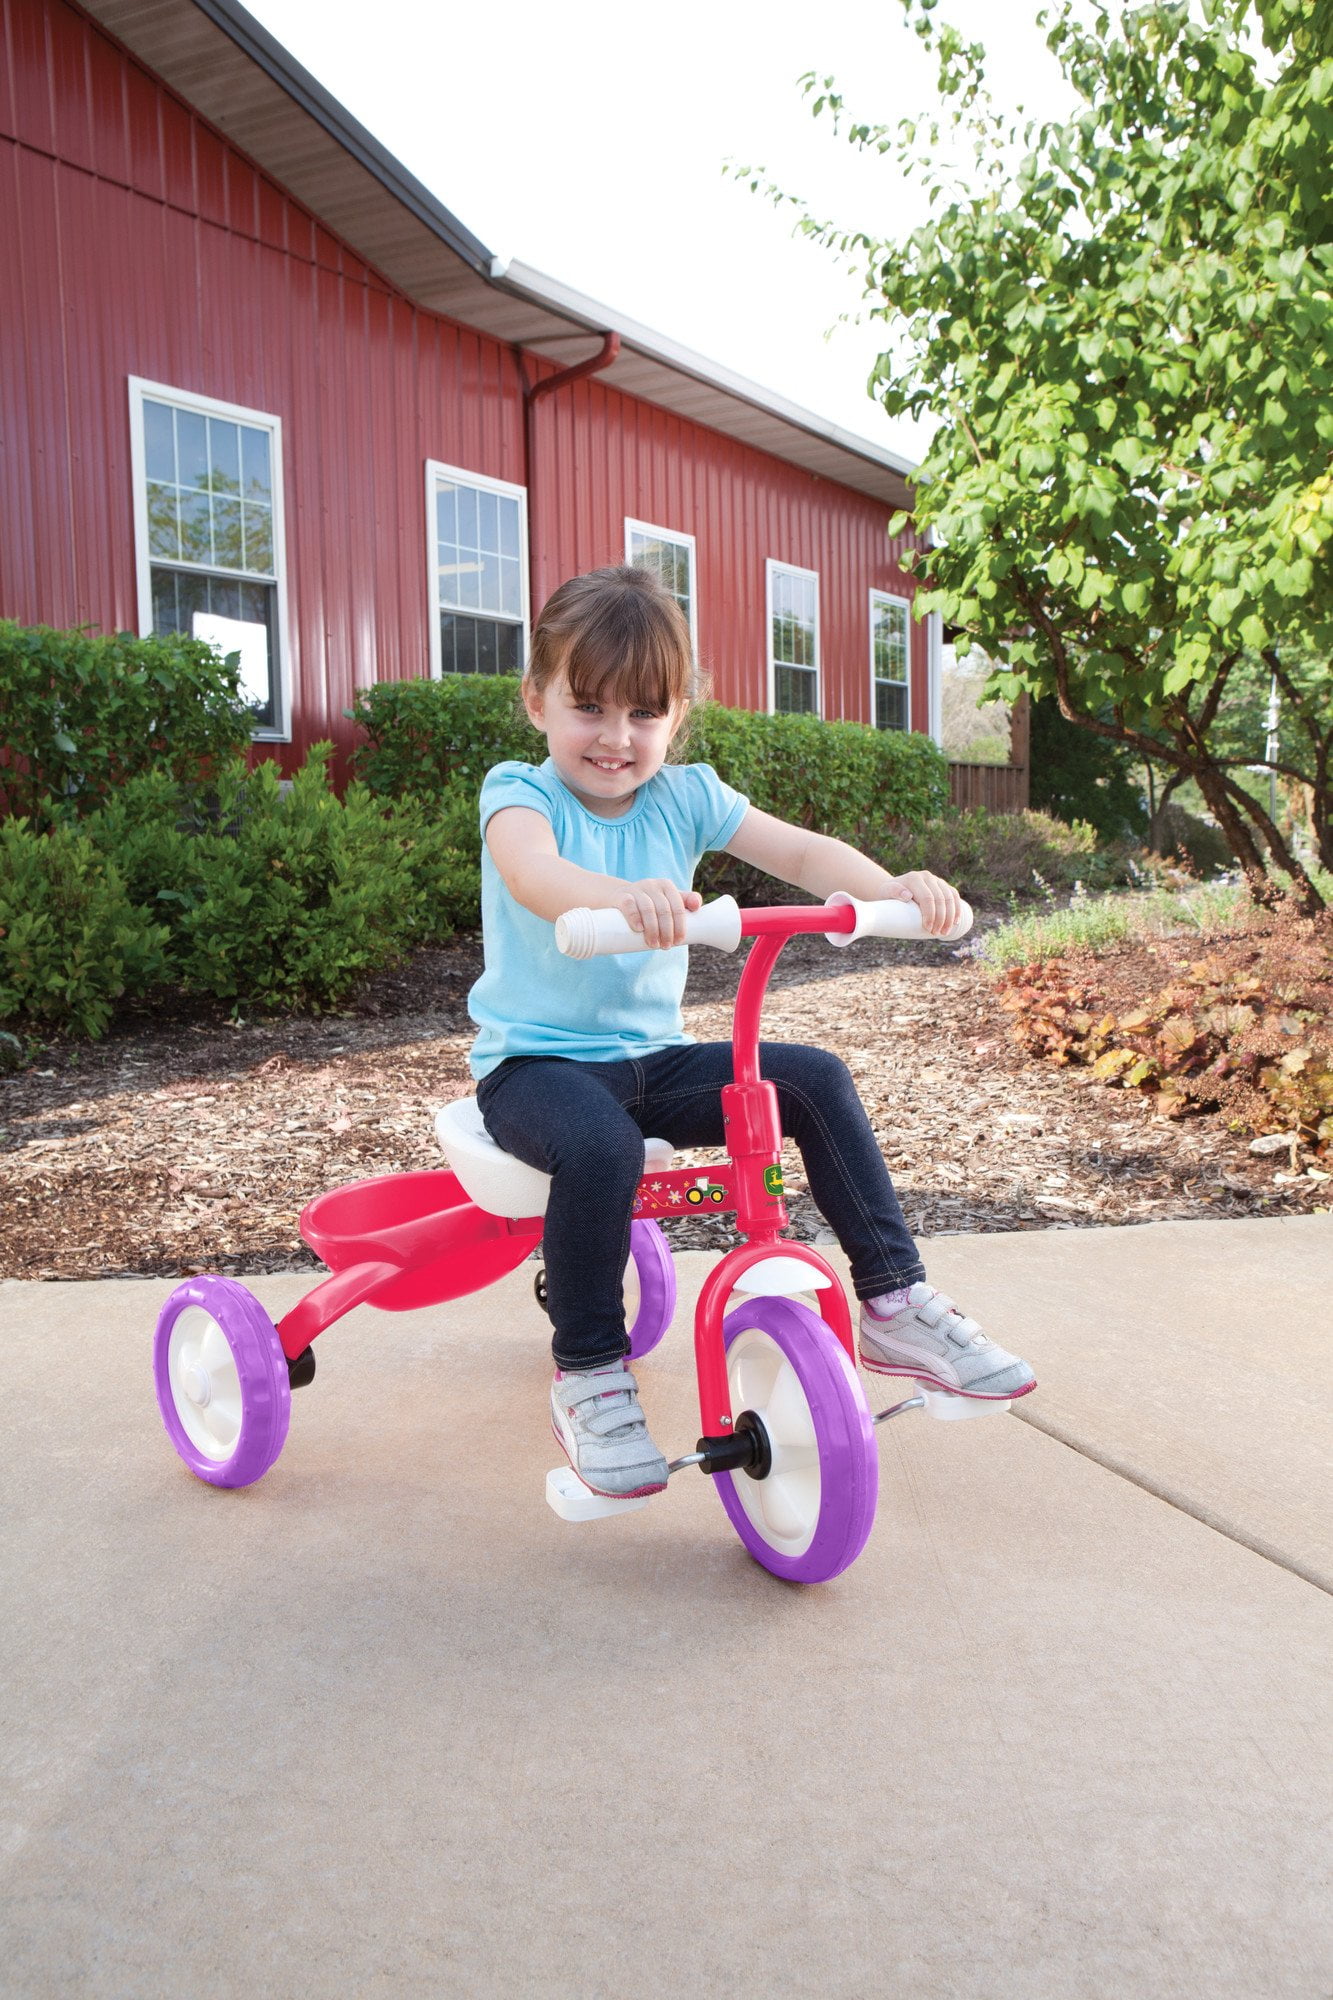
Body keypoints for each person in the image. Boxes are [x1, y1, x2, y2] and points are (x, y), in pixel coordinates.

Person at [469, 565, 1036, 1499]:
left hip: (649, 1058)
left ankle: (893, 1300)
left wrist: (889, 890)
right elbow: (534, 875)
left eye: (644, 715)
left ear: (677, 717)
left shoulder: (684, 795)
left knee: (809, 1079)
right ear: (537, 701)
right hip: (536, 1065)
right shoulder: (520, 793)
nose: (616, 739)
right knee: (602, 1147)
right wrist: (623, 897)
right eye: (590, 709)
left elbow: (803, 853)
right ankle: (588, 1374)